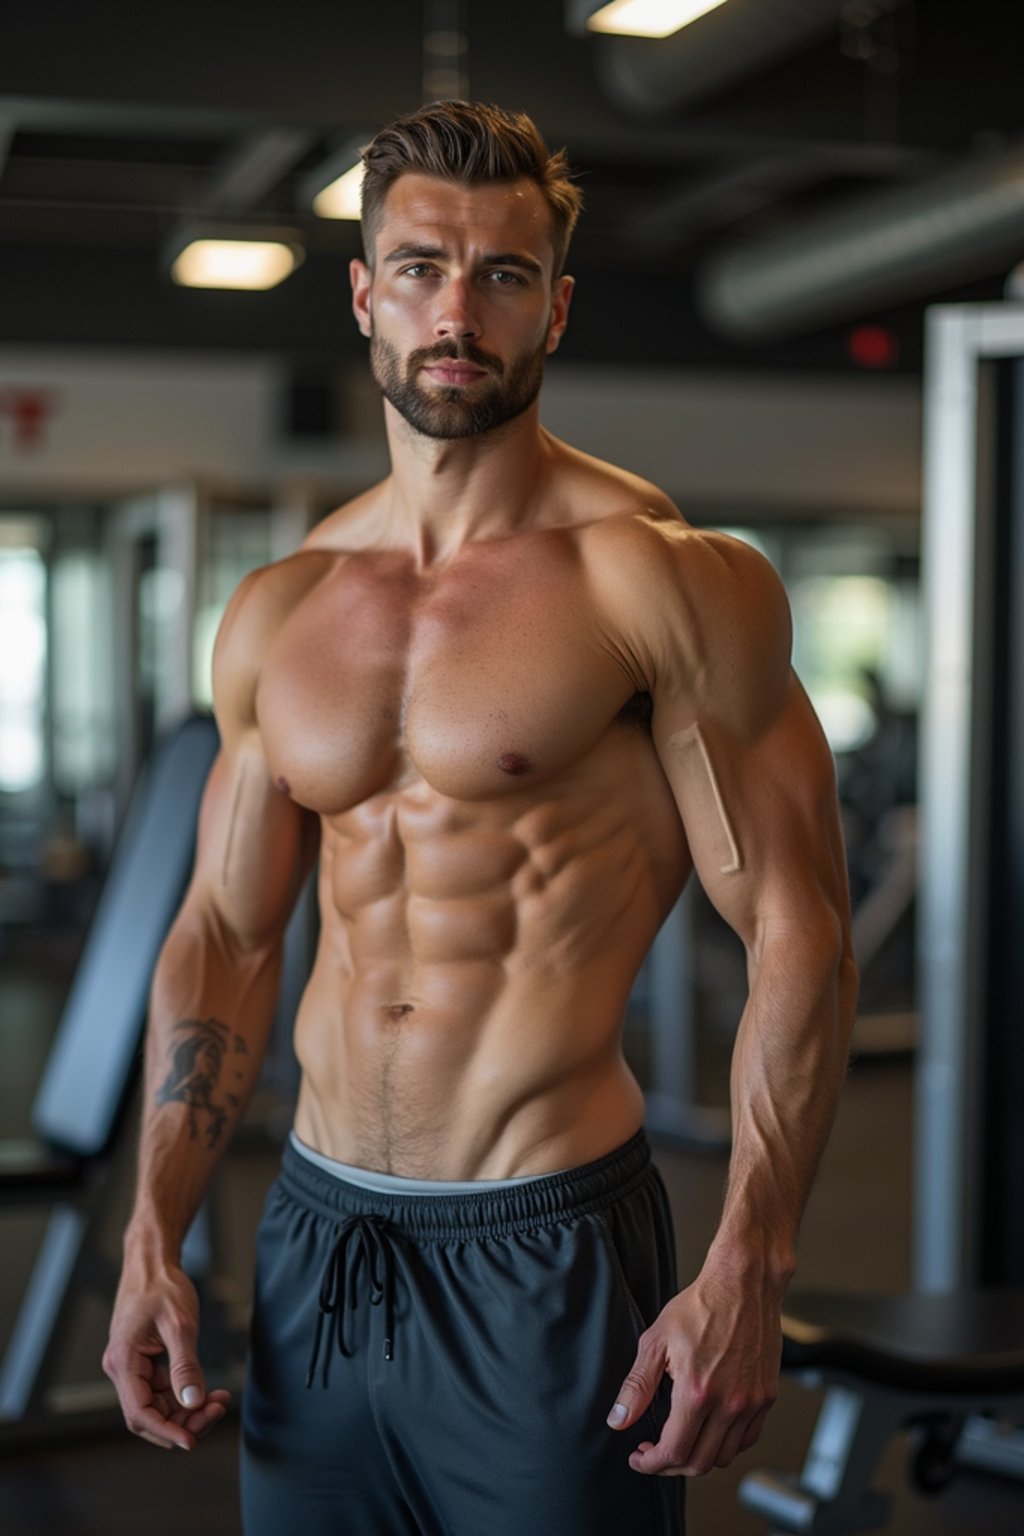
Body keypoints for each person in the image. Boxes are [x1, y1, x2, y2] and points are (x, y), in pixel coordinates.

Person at [103, 100, 858, 1535]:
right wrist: (155, 1230)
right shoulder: (281, 608)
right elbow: (226, 933)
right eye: (421, 268)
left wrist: (751, 1263)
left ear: (556, 308)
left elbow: (797, 927)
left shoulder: (661, 582)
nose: (459, 311)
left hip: (546, 1246)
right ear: (364, 291)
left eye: (504, 276)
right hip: (317, 1236)